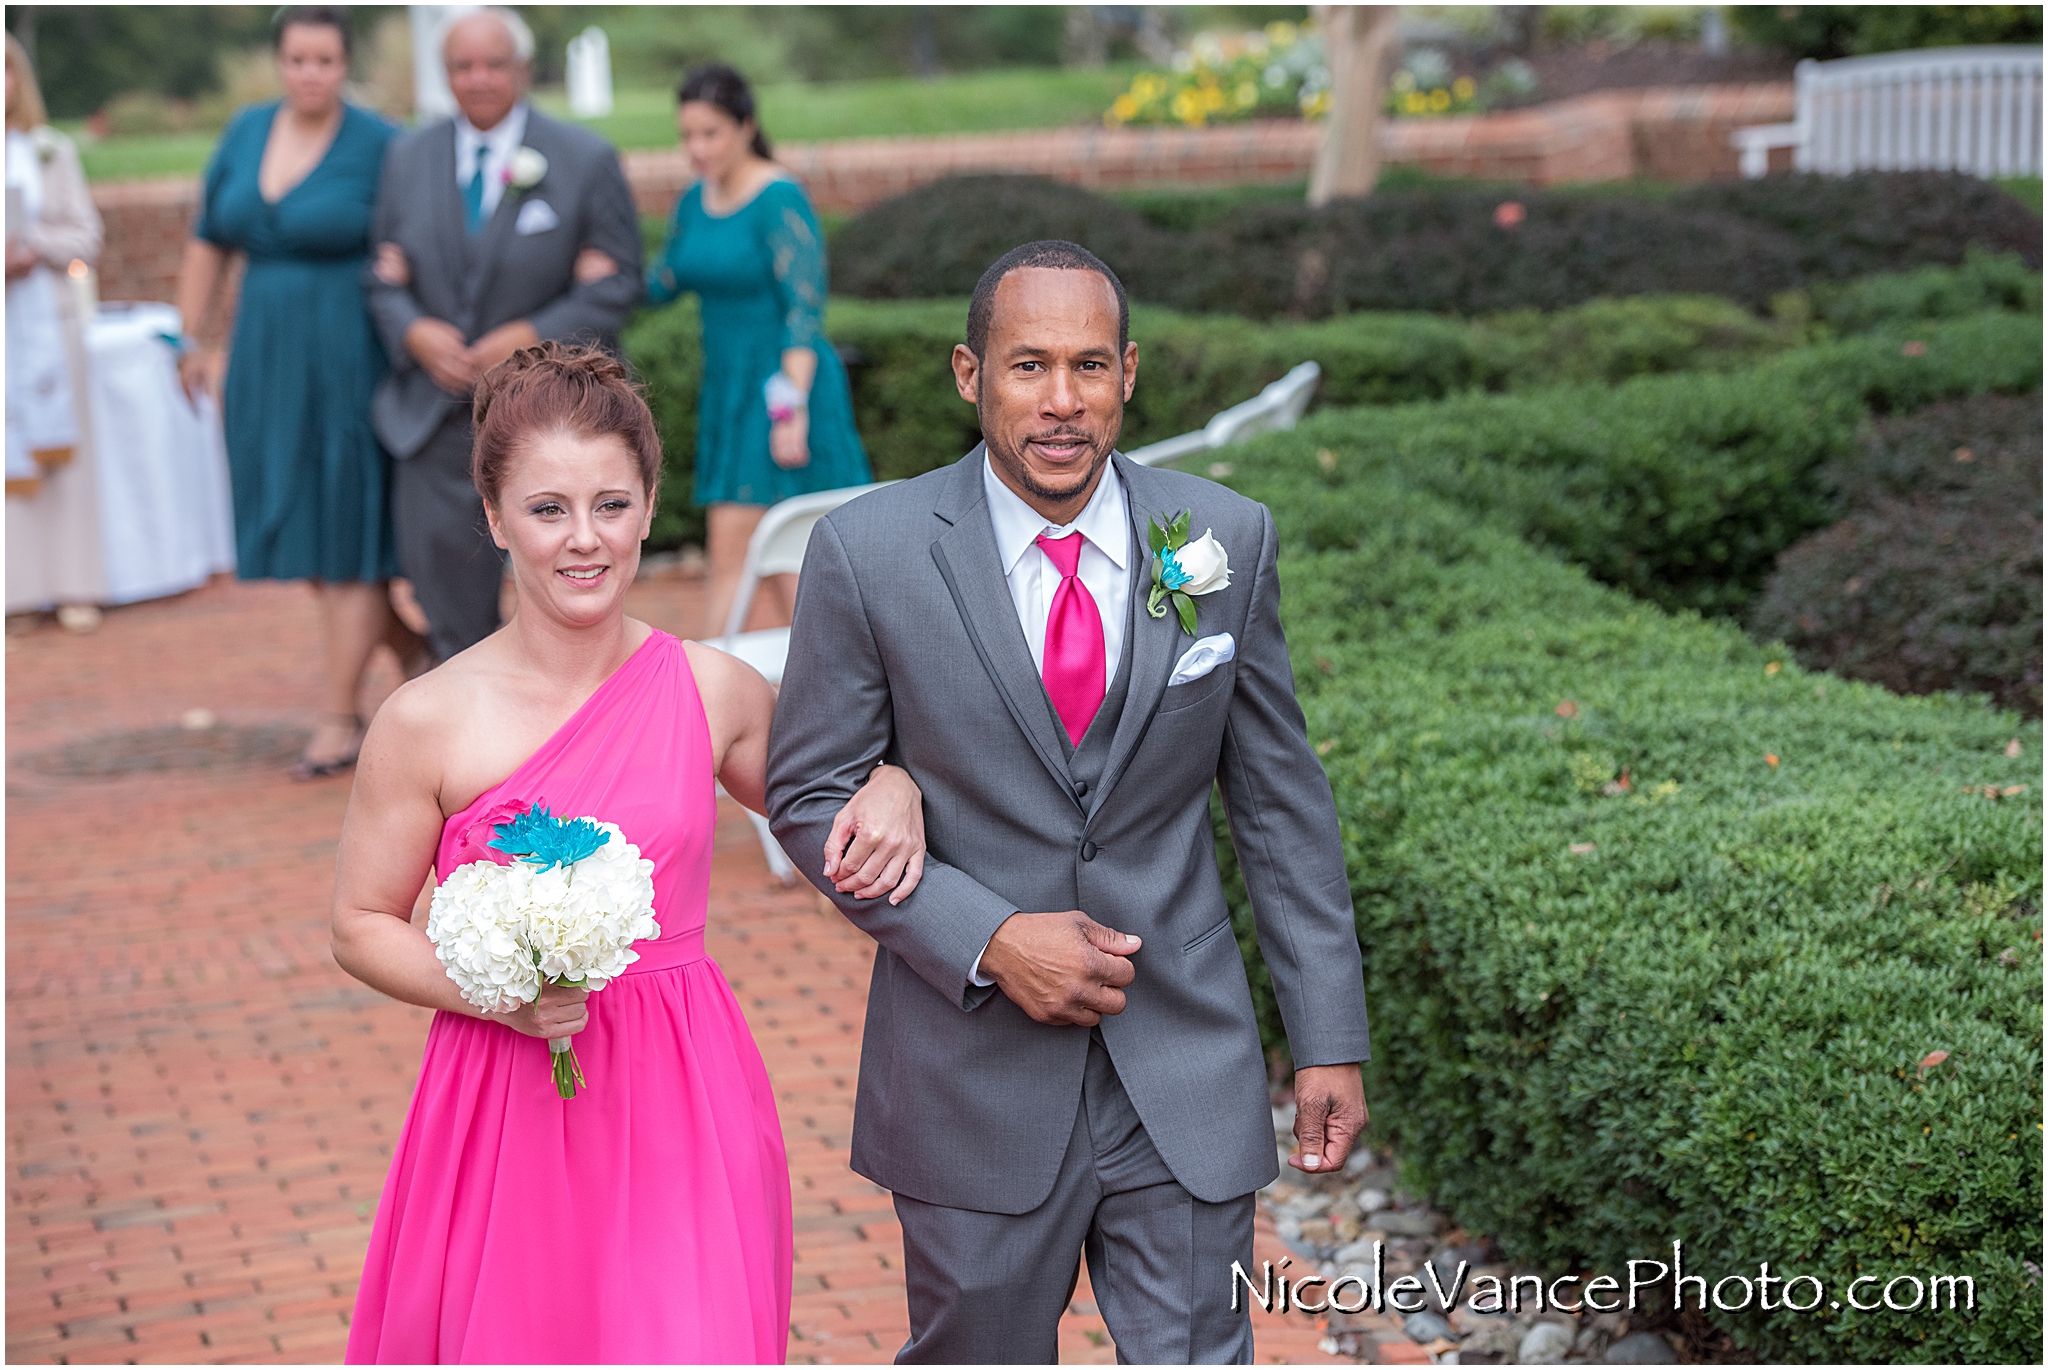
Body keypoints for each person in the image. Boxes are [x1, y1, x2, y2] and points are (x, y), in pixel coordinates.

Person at [767, 241, 1374, 1362]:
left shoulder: (1220, 539)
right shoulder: (869, 553)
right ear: (968, 373)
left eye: (1088, 367)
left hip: (1180, 1062)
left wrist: (1327, 1034)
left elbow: (1278, 800)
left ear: (1128, 373)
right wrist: (988, 937)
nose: (1060, 402)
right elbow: (806, 792)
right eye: (1027, 365)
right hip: (968, 1078)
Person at [334, 343, 929, 1362]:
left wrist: (896, 778)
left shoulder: (715, 691)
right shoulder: (425, 718)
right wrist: (492, 990)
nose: (583, 539)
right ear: (494, 517)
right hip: (501, 1093)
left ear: (651, 508)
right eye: (547, 508)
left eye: (610, 505)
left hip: (679, 1096)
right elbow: (358, 923)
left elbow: (838, 817)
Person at [174, 5, 423, 778]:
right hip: (262, 357)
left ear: (344, 65)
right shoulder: (245, 132)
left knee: (345, 537)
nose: (309, 73)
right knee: (302, 532)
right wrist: (189, 337)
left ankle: (339, 716)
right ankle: (424, 661)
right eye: (296, 59)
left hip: (347, 356)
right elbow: (210, 238)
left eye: (324, 60)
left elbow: (414, 238)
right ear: (278, 61)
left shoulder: (380, 143)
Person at [366, 6, 642, 665]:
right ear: (445, 74)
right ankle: (472, 747)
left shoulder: (583, 158)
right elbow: (380, 277)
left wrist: (528, 336)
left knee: (567, 595)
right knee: (447, 604)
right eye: (462, 66)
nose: (478, 78)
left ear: (521, 69)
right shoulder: (407, 158)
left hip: (552, 417)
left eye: (493, 64)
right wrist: (415, 333)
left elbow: (619, 281)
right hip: (435, 420)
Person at [643, 63, 871, 640]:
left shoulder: (779, 199)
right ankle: (815, 701)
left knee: (769, 560)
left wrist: (788, 407)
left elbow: (803, 310)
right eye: (687, 135)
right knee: (771, 567)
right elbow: (661, 281)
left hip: (782, 394)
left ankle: (705, 704)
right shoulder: (694, 201)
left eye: (710, 133)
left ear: (746, 126)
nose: (696, 148)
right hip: (729, 392)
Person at [5, 33, 106, 630]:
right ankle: (14, 591)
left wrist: (33, 248)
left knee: (66, 463)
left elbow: (86, 235)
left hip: (47, 319)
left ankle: (74, 585)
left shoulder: (49, 151)